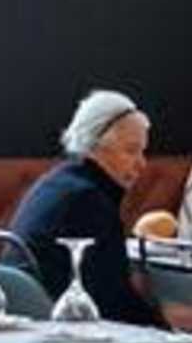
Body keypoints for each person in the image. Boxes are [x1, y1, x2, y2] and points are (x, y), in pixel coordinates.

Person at [9, 90, 158, 327]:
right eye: (131, 151)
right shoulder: (87, 200)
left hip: (31, 318)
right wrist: (176, 338)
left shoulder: (58, 181)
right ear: (94, 146)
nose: (142, 164)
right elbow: (114, 305)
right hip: (56, 332)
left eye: (143, 151)